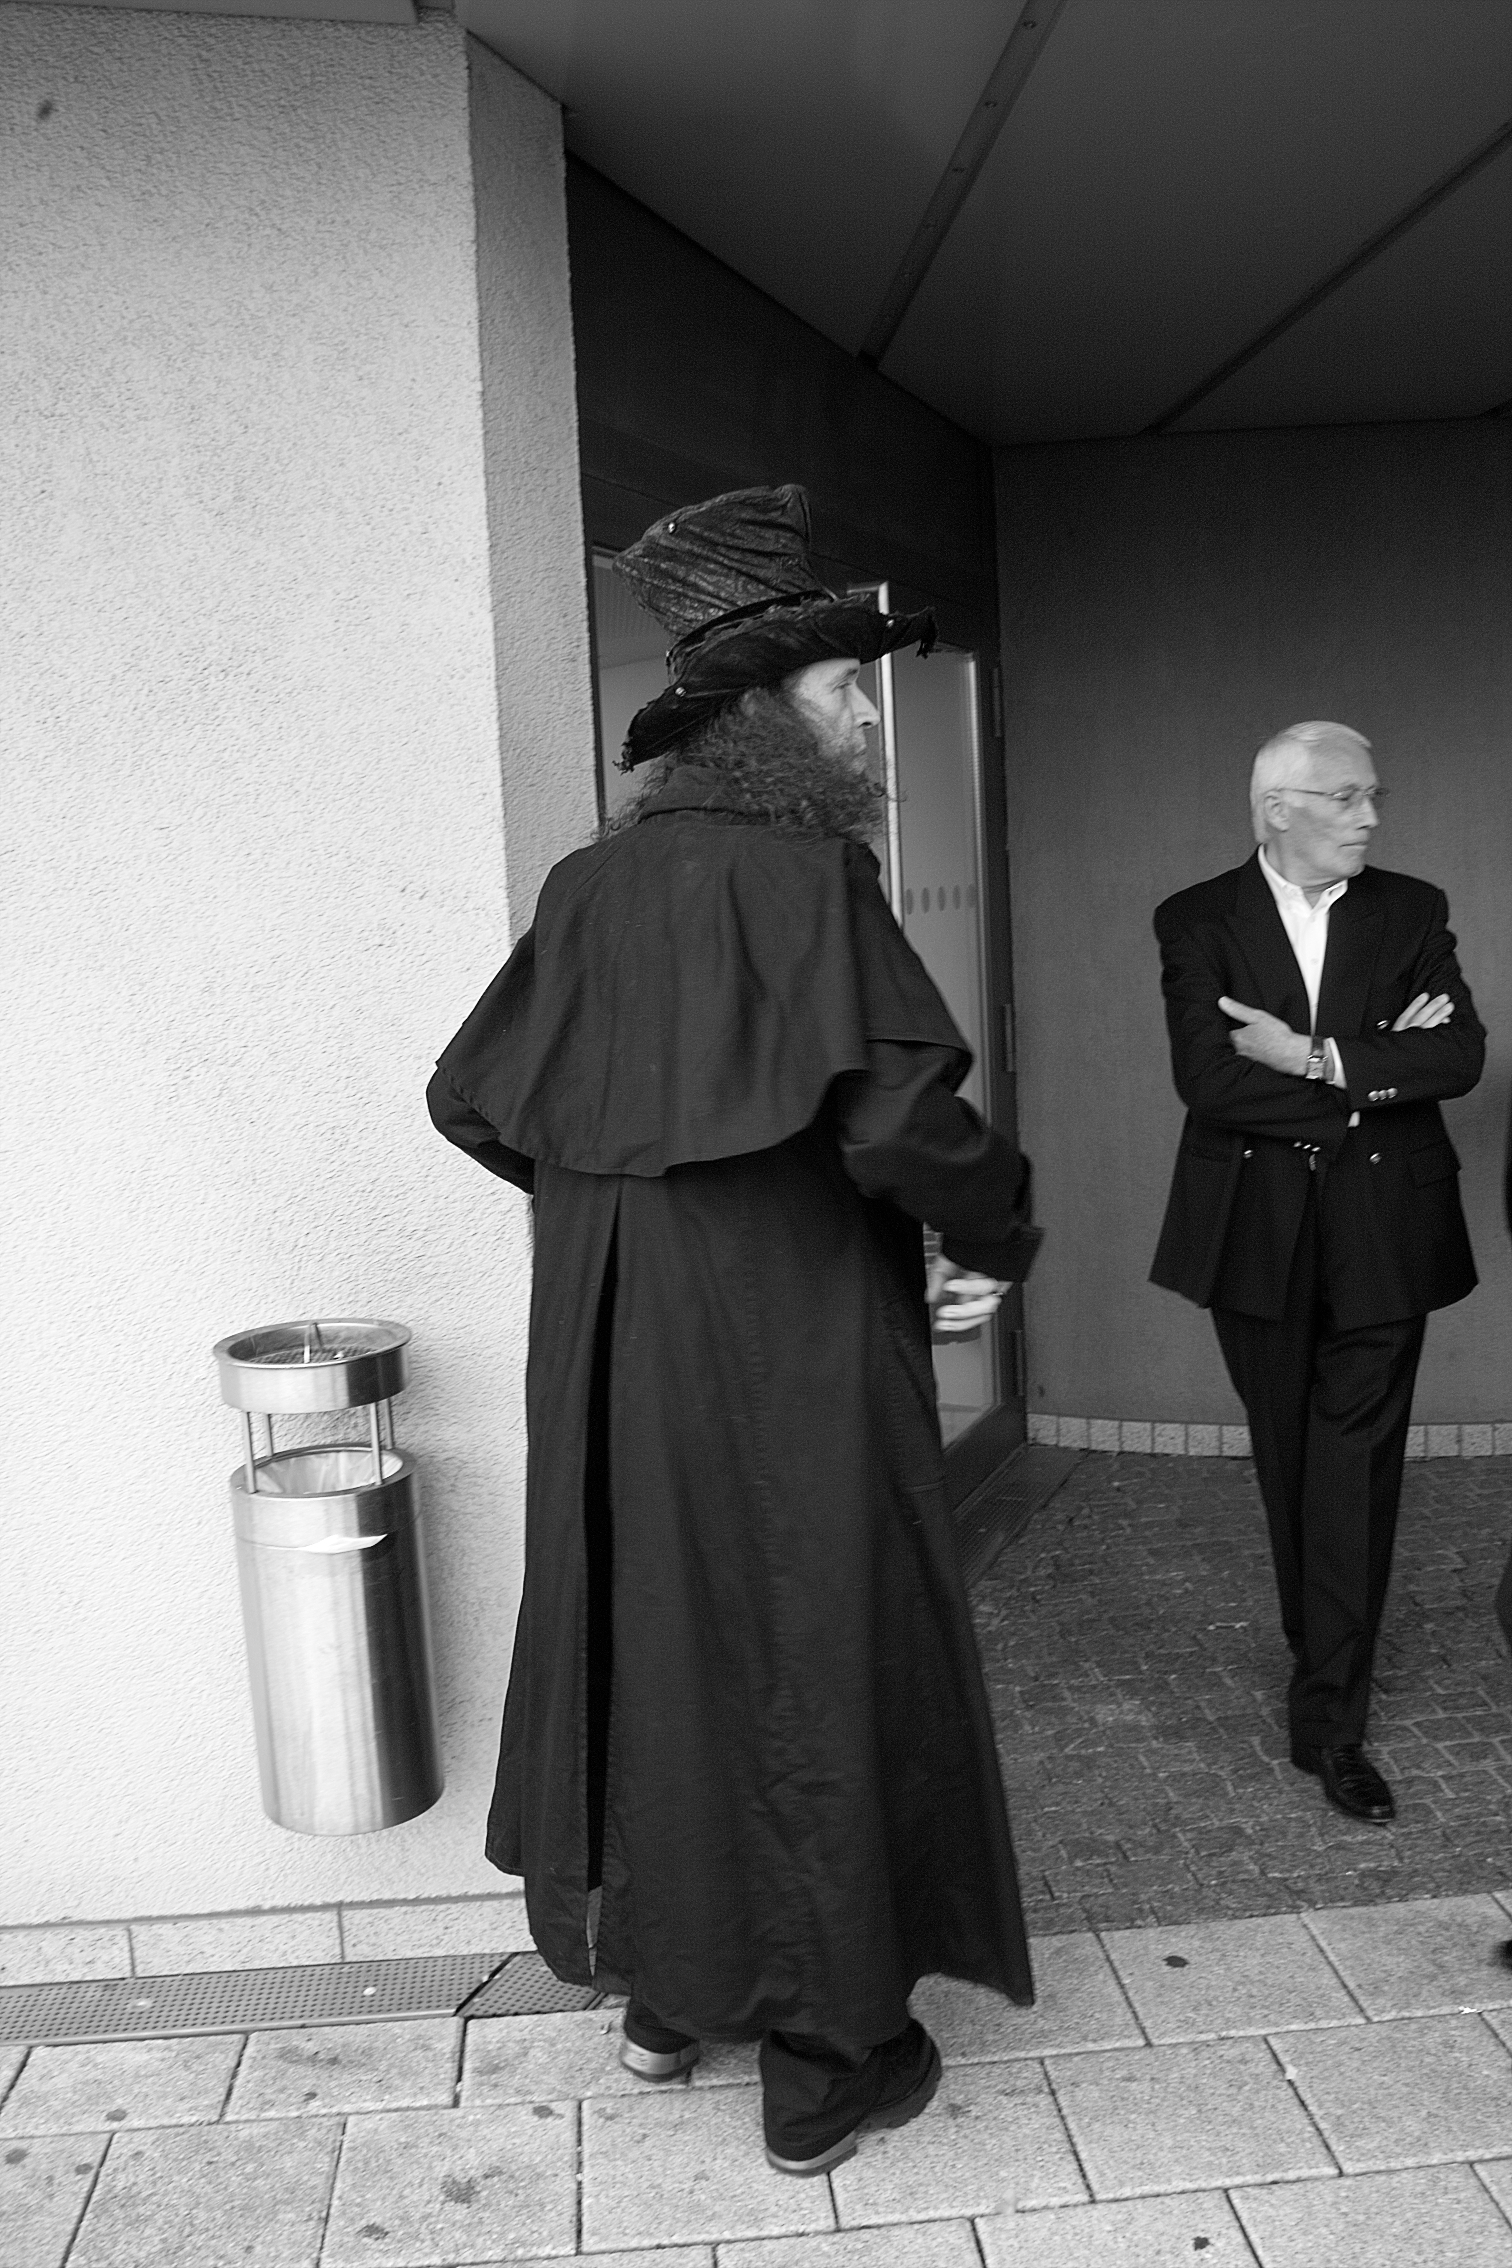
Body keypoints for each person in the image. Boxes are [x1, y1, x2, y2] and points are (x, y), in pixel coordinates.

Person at [427, 484, 1041, 2175]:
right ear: (763, 710)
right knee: (804, 1648)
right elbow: (899, 1126)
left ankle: (664, 1989)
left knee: (654, 1639)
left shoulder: (589, 886)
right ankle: (830, 2053)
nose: (870, 717)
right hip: (785, 1343)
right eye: (847, 687)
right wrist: (1000, 1225)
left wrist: (613, 1194)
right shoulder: (809, 876)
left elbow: (470, 1101)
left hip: (611, 1345)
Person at [1151, 721, 1484, 1824]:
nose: (1371, 816)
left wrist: (1311, 1056)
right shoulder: (1197, 918)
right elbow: (1208, 1081)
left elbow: (1458, 1055)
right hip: (1253, 1231)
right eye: (1347, 797)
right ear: (1278, 807)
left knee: (1354, 1471)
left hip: (1387, 1231)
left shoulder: (1412, 909)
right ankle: (1319, 1647)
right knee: (1290, 1464)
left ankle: (1332, 1720)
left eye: (1374, 796)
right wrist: (1376, 1074)